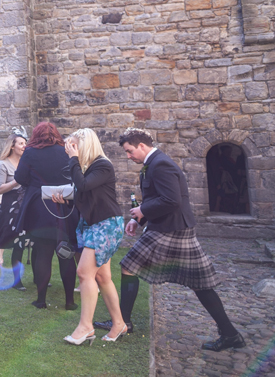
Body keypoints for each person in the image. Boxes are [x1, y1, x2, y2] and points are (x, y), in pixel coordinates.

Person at [96, 128, 245, 352]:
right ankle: (230, 334)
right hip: (167, 227)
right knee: (194, 283)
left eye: (129, 151)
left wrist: (142, 210)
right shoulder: (153, 164)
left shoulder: (160, 164)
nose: (128, 156)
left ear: (142, 146)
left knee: (131, 267)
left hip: (171, 230)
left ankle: (124, 322)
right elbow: (159, 199)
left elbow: (171, 200)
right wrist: (139, 219)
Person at [55, 129, 126, 345]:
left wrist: (73, 159)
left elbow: (84, 185)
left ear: (85, 145)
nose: (70, 150)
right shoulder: (88, 168)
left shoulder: (102, 165)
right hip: (94, 224)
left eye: (74, 146)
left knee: (84, 273)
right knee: (102, 277)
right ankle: (119, 323)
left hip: (106, 225)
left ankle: (86, 326)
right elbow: (84, 195)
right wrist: (65, 201)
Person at [14, 122, 78, 310]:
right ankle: (69, 301)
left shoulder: (30, 152)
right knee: (66, 252)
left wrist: (33, 184)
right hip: (65, 206)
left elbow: (19, 178)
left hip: (40, 208)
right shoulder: (66, 150)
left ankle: (41, 300)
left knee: (43, 252)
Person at [0, 131, 29, 291]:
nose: (24, 146)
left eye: (25, 143)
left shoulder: (26, 163)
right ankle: (17, 280)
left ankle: (40, 277)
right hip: (11, 206)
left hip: (26, 204)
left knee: (29, 241)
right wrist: (16, 181)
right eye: (21, 143)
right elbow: (0, 189)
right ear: (12, 146)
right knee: (17, 243)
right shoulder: (3, 164)